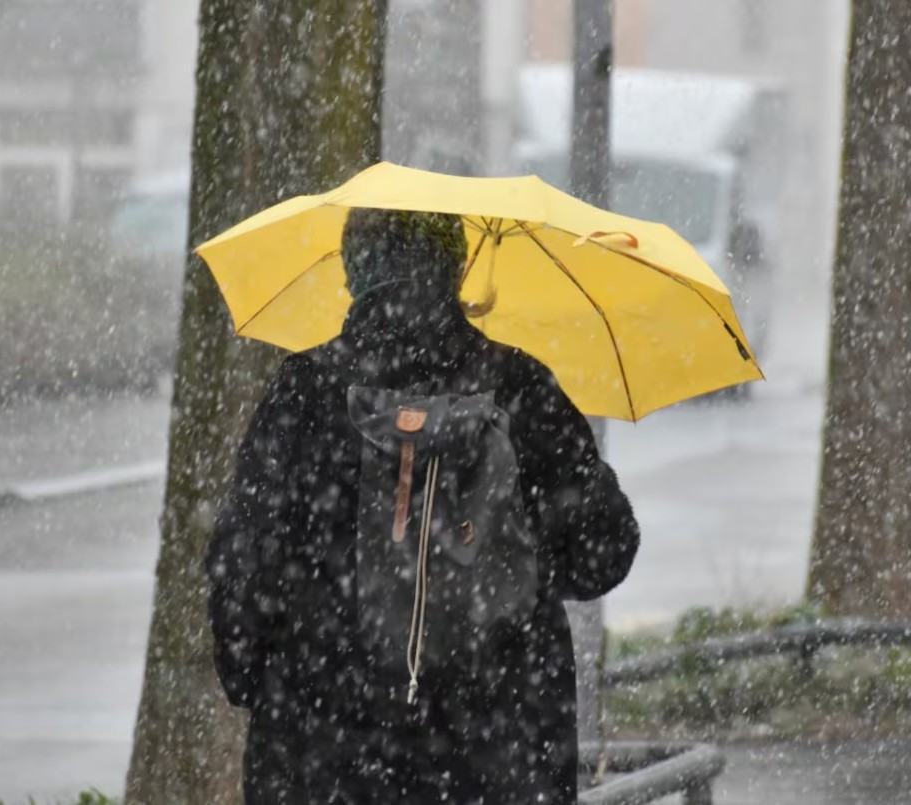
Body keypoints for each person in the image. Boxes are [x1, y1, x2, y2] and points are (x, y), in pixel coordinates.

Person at [206, 208, 640, 804]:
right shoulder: (521, 387)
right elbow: (604, 554)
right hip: (498, 749)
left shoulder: (305, 390)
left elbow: (242, 561)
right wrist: (508, 577)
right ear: (456, 269)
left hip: (324, 749)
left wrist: (267, 682)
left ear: (354, 272)